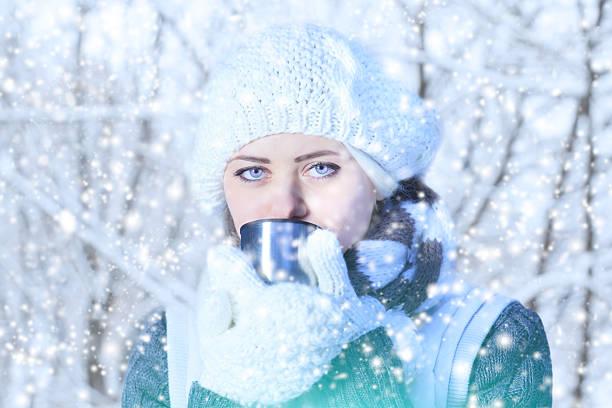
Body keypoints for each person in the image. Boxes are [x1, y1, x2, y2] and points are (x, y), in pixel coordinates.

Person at [121, 23, 553, 407]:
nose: (285, 204)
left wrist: (354, 361)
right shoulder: (172, 345)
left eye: (320, 168)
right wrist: (232, 389)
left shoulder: (486, 340)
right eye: (253, 172)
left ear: (377, 184)